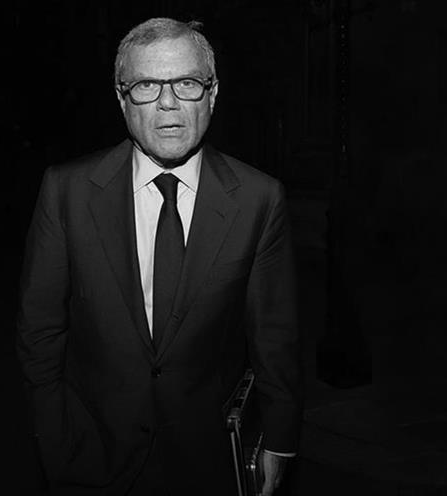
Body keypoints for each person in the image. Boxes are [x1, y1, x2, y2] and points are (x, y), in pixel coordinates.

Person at [17, 17, 302, 496]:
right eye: (147, 85)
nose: (168, 102)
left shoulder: (259, 199)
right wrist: (56, 441)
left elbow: (275, 335)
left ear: (212, 94)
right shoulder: (67, 192)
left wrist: (279, 440)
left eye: (187, 82)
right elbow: (39, 331)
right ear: (121, 98)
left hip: (209, 458)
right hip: (93, 454)